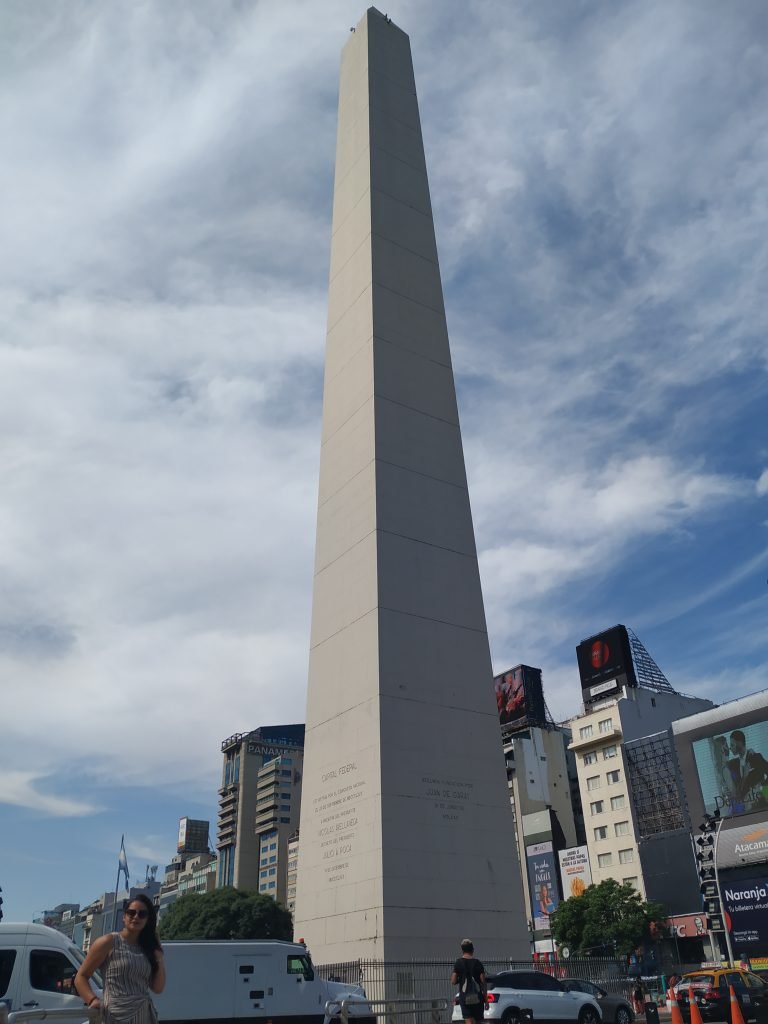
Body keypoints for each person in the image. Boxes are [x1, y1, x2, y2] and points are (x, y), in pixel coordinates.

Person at [75, 894, 165, 1024]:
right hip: (115, 1015)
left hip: (144, 1015)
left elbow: (158, 988)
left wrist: (159, 959)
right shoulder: (108, 942)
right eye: (131, 912)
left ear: (147, 919)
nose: (136, 917)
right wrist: (92, 1000)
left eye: (142, 914)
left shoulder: (147, 948)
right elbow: (81, 976)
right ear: (124, 917)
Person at [451, 939, 486, 1024]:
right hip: (478, 998)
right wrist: (486, 1000)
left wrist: (461, 979)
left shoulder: (458, 963)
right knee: (478, 1021)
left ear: (462, 950)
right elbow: (483, 983)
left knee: (468, 1020)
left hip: (465, 997)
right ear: (472, 950)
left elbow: (453, 981)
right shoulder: (478, 963)